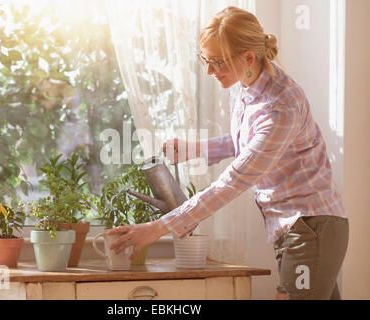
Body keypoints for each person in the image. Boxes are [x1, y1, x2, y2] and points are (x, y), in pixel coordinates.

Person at [108, 6, 349, 300]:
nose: (210, 71)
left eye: (217, 62)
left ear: (247, 57)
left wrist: (158, 228)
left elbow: (234, 181)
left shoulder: (281, 105)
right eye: (205, 60)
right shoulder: (250, 85)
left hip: (311, 227)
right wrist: (194, 149)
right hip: (298, 227)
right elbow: (251, 145)